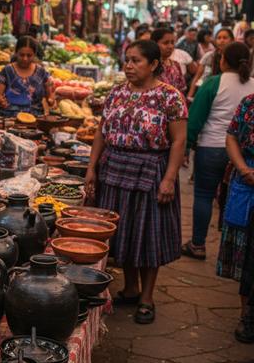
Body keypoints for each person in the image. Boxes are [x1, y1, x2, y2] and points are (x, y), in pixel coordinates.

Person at [85, 39, 187, 324]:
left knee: (148, 235)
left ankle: (147, 297)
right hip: (115, 168)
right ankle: (130, 288)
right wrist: (92, 168)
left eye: (136, 61)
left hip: (151, 170)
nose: (128, 66)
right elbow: (101, 132)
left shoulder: (170, 96)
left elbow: (179, 141)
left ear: (154, 64)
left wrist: (169, 178)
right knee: (123, 231)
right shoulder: (117, 93)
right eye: (126, 60)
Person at [183, 43, 254, 260]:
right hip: (241, 155)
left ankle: (198, 244)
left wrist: (186, 147)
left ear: (222, 60)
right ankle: (233, 249)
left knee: (204, 196)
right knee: (232, 198)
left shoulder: (214, 83)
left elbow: (195, 119)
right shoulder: (253, 86)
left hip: (211, 149)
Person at [218, 91, 254, 345]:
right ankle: (247, 316)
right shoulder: (249, 103)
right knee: (246, 256)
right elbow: (231, 136)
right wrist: (243, 169)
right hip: (245, 180)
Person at [0, 36, 55, 118]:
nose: (25, 59)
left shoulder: (42, 73)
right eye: (21, 55)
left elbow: (50, 98)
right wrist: (0, 100)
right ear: (16, 53)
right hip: (10, 118)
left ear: (34, 55)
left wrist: (51, 99)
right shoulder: (7, 71)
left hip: (35, 119)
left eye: (29, 55)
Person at [189, 28, 235, 99]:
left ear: (232, 40)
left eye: (225, 38)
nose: (221, 40)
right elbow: (198, 76)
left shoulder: (235, 56)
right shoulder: (209, 56)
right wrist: (190, 95)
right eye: (219, 38)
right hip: (207, 91)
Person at [152, 27, 186, 93]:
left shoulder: (176, 65)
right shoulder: (151, 66)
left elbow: (181, 89)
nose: (170, 46)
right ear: (154, 43)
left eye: (172, 43)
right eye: (165, 43)